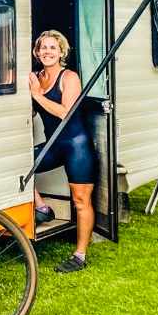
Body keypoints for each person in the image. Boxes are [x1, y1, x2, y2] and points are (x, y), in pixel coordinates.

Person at [29, 30, 97, 272]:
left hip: (76, 145)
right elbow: (35, 111)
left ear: (61, 52)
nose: (47, 52)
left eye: (52, 48)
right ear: (37, 52)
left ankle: (80, 255)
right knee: (21, 164)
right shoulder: (36, 77)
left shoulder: (69, 78)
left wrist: (36, 94)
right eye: (43, 48)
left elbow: (64, 113)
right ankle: (42, 208)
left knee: (80, 200)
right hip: (54, 144)